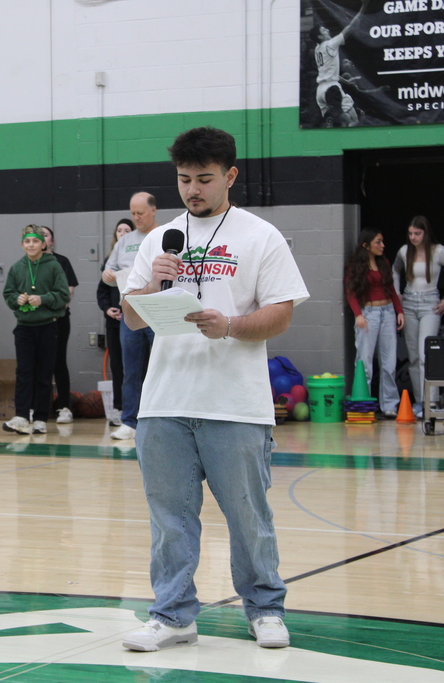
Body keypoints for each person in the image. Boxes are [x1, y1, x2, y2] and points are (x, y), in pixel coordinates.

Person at [120, 126, 309, 651]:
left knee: (249, 517)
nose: (192, 190)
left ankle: (265, 608)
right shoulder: (159, 239)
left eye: (204, 179)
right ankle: (172, 614)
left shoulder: (260, 236)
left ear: (230, 176)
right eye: (184, 179)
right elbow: (132, 318)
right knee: (170, 521)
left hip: (236, 404)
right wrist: (150, 285)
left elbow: (281, 314)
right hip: (165, 402)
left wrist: (229, 326)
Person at [2, 225, 70, 435]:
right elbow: (8, 293)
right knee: (24, 373)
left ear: (43, 244)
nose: (31, 245)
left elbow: (63, 295)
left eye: (35, 241)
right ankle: (22, 415)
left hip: (48, 326)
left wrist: (44, 299)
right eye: (27, 241)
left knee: (44, 374)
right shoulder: (16, 268)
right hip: (24, 328)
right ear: (22, 244)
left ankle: (41, 418)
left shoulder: (54, 266)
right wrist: (16, 299)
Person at [103, 192, 161, 440]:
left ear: (153, 211)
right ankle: (129, 421)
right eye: (133, 213)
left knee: (162, 367)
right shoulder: (125, 242)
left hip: (158, 311)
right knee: (131, 369)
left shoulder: (164, 235)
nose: (136, 218)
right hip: (130, 312)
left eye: (140, 213)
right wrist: (108, 275)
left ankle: (161, 420)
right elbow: (109, 271)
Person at [346, 229, 404, 417]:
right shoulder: (356, 266)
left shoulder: (383, 262)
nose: (382, 245)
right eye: (378, 242)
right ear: (366, 245)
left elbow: (391, 289)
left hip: (387, 312)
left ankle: (390, 406)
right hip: (368, 313)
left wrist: (399, 311)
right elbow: (351, 292)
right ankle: (363, 405)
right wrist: (358, 315)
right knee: (365, 362)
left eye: (382, 242)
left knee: (389, 363)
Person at [393, 216, 444, 418]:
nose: (413, 237)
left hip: (430, 303)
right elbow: (395, 271)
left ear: (426, 233)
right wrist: (397, 294)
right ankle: (419, 402)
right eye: (410, 233)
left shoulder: (438, 251)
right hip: (409, 302)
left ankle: (431, 402)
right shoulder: (404, 251)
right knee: (413, 357)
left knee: (426, 354)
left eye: (417, 233)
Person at [96, 218, 135, 427]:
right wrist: (107, 309)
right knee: (118, 366)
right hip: (115, 321)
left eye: (127, 230)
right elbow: (102, 291)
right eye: (119, 230)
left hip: (135, 320)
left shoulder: (139, 259)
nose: (122, 234)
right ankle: (120, 409)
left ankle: (138, 410)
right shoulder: (109, 263)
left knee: (136, 367)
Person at [40, 225, 79, 424]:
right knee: (40, 364)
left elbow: (69, 292)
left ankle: (64, 407)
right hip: (37, 320)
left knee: (58, 362)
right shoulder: (30, 264)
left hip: (59, 319)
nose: (42, 238)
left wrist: (49, 304)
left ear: (52, 241)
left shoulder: (62, 261)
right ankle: (40, 408)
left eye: (45, 235)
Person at [311, 0, 369, 127]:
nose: (327, 30)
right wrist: (363, 9)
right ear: (320, 37)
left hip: (320, 92)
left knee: (334, 124)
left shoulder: (317, 49)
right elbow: (350, 28)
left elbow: (329, 72)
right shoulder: (330, 45)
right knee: (353, 120)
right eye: (323, 30)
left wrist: (346, 82)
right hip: (332, 89)